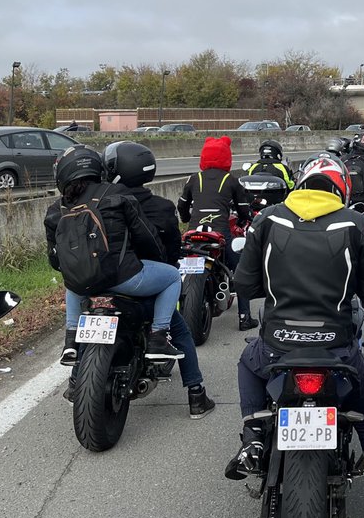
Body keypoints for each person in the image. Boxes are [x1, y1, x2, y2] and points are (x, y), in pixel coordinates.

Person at [226, 155, 364, 518]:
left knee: (247, 362)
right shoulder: (357, 224)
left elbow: (244, 284)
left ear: (301, 183)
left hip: (277, 346)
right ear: (341, 188)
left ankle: (254, 436)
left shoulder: (267, 219)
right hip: (337, 349)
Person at [102, 141, 214, 418]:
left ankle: (74, 380)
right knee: (182, 332)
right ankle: (196, 395)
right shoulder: (162, 208)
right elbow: (172, 251)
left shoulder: (102, 202)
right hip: (144, 286)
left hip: (102, 281)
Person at [46, 145, 181, 363]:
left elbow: (55, 260)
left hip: (83, 285)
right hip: (124, 278)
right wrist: (160, 260)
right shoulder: (117, 193)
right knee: (173, 276)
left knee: (71, 282)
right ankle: (158, 337)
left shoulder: (56, 209)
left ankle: (71, 341)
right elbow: (146, 236)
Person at [178, 136, 256, 330]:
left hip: (193, 232)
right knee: (240, 270)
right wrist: (245, 218)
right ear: (226, 157)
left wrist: (186, 219)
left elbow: (182, 205)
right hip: (220, 232)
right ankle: (245, 318)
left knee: (177, 267)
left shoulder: (194, 178)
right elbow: (244, 209)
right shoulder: (231, 181)